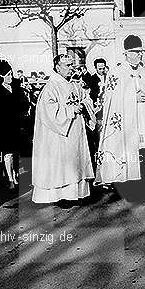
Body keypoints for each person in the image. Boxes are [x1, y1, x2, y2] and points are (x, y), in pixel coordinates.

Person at [95, 35, 145, 193]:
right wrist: (133, 97)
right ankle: (126, 182)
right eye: (136, 52)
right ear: (126, 53)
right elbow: (111, 99)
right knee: (128, 150)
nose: (139, 55)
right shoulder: (117, 72)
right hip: (127, 122)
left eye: (141, 52)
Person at [32, 54, 95, 205]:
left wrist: (85, 103)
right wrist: (72, 109)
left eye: (72, 65)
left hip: (75, 131)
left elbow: (85, 97)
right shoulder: (51, 87)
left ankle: (77, 194)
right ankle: (61, 196)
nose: (71, 68)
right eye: (67, 65)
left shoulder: (74, 84)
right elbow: (48, 111)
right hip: (59, 134)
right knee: (62, 164)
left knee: (75, 161)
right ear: (57, 67)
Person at [0, 60, 30, 191]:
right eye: (8, 74)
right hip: (3, 127)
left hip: (17, 125)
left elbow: (24, 103)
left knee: (16, 153)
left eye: (11, 74)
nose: (10, 77)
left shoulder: (16, 87)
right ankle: (10, 178)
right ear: (1, 76)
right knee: (7, 153)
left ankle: (15, 174)